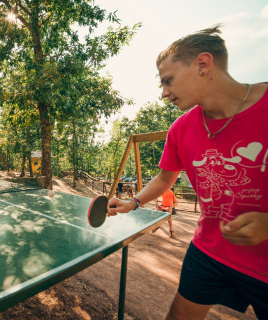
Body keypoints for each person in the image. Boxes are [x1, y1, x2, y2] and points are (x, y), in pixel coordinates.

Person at [107, 25, 268, 319]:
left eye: (168, 81)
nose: (164, 93)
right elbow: (166, 178)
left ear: (203, 64)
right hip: (209, 251)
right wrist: (134, 202)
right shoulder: (180, 129)